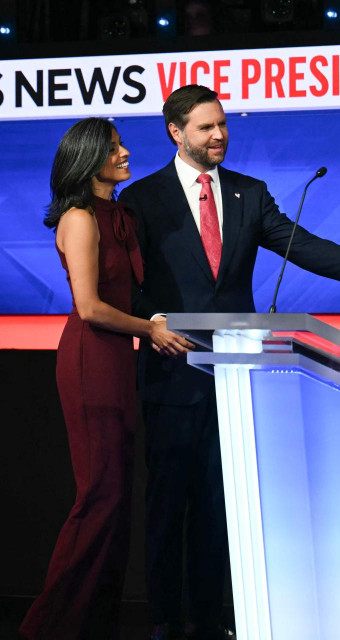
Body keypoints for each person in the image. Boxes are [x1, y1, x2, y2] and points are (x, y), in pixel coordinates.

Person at [118, 84, 340, 640]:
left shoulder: (248, 194)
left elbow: (301, 245)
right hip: (172, 373)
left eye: (223, 125)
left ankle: (216, 618)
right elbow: (125, 284)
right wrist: (152, 322)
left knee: (222, 505)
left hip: (236, 375)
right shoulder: (140, 199)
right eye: (206, 127)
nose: (219, 136)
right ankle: (165, 619)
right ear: (175, 132)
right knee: (168, 504)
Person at [19, 118, 192, 640]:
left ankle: (92, 624)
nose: (125, 153)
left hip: (116, 358)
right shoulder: (78, 217)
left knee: (115, 501)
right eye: (114, 148)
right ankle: (46, 627)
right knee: (100, 498)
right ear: (90, 157)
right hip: (91, 358)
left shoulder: (117, 214)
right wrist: (152, 329)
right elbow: (91, 307)